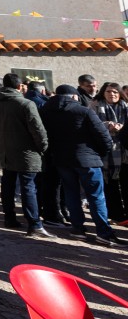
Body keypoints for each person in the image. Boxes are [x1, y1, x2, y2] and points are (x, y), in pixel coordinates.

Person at [41, 84, 122, 245]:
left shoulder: (45, 112)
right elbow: (103, 136)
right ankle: (103, 233)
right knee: (96, 196)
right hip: (87, 160)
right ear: (73, 96)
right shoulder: (83, 111)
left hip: (62, 160)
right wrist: (100, 153)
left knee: (71, 194)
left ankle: (78, 229)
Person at [0, 73, 51, 237]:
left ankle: (10, 218)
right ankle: (34, 224)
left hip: (6, 151)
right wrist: (43, 147)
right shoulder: (25, 104)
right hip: (27, 152)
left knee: (8, 186)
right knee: (28, 187)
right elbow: (38, 130)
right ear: (19, 87)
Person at [93, 81, 128, 222]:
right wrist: (106, 125)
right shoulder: (95, 106)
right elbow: (91, 124)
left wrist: (123, 128)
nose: (112, 94)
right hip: (105, 151)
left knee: (126, 183)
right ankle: (115, 214)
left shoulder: (126, 107)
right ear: (103, 93)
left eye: (115, 92)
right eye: (108, 91)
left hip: (124, 151)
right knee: (109, 183)